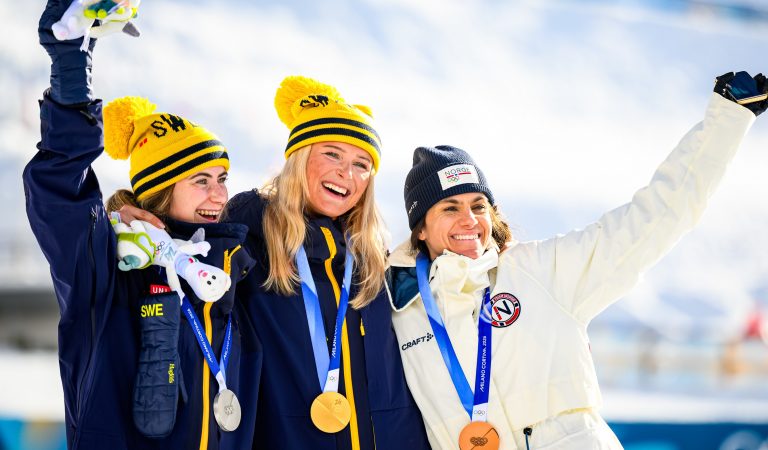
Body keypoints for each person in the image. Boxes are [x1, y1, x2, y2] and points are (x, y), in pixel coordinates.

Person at [386, 73, 767, 449]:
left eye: (478, 206)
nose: (469, 220)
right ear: (420, 229)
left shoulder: (540, 271)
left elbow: (655, 218)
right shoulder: (398, 308)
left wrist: (727, 121)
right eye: (450, 208)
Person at [122, 75, 431, 449]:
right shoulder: (251, 225)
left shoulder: (373, 256)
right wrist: (131, 215)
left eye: (362, 163)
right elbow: (187, 234)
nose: (346, 173)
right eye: (332, 153)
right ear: (299, 158)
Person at [24, 1, 255, 448]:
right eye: (201, 180)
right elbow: (60, 190)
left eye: (222, 179)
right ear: (161, 190)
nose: (219, 195)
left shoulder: (236, 270)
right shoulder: (106, 268)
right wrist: (72, 65)